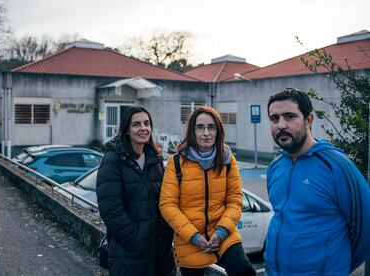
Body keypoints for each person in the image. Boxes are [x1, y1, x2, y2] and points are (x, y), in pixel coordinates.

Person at [265, 88, 370, 275]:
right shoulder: (275, 166)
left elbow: (366, 229)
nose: (281, 125)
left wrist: (337, 266)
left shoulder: (336, 165)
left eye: (289, 116)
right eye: (274, 118)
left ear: (309, 120)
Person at [159, 106, 256, 276]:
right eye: (200, 127)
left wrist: (221, 231)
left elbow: (235, 200)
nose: (206, 133)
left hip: (224, 232)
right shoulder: (176, 163)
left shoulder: (227, 159)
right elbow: (167, 205)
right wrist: (194, 236)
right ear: (192, 131)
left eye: (211, 127)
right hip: (189, 238)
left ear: (218, 131)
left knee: (244, 270)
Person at [96, 105, 175, 276]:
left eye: (147, 123)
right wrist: (134, 241)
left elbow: (165, 201)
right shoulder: (113, 159)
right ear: (126, 130)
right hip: (129, 254)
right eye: (136, 124)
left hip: (160, 252)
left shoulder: (155, 159)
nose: (143, 128)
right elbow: (110, 208)